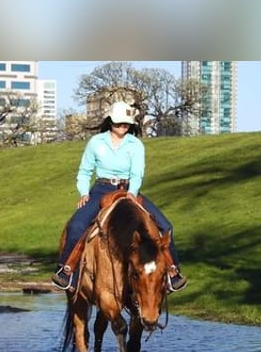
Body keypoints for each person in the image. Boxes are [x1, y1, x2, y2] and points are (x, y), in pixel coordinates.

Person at [52, 101, 187, 292]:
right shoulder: (96, 142)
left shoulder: (136, 144)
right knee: (76, 225)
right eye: (119, 122)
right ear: (111, 122)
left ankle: (173, 272)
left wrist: (132, 193)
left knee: (166, 227)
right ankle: (67, 271)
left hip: (129, 188)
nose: (123, 126)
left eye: (126, 123)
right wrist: (84, 193)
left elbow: (137, 172)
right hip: (101, 188)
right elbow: (84, 171)